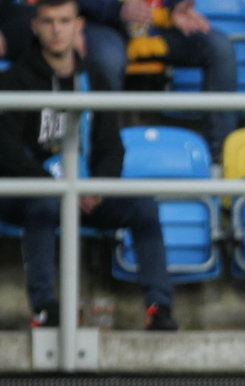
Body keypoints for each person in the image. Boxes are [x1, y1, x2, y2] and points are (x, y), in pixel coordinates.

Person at [0, 0, 177, 330]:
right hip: (30, 192)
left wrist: (96, 185)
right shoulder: (13, 81)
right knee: (43, 204)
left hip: (85, 190)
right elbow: (7, 151)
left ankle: (159, 308)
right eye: (49, 21)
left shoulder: (94, 78)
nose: (56, 30)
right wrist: (56, 188)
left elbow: (112, 145)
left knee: (143, 207)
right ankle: (44, 310)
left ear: (78, 26)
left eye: (64, 21)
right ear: (35, 27)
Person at [76, 0, 237, 158]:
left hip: (155, 23)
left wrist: (176, 5)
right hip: (104, 23)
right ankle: (103, 157)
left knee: (219, 48)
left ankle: (219, 158)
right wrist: (116, 9)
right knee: (107, 60)